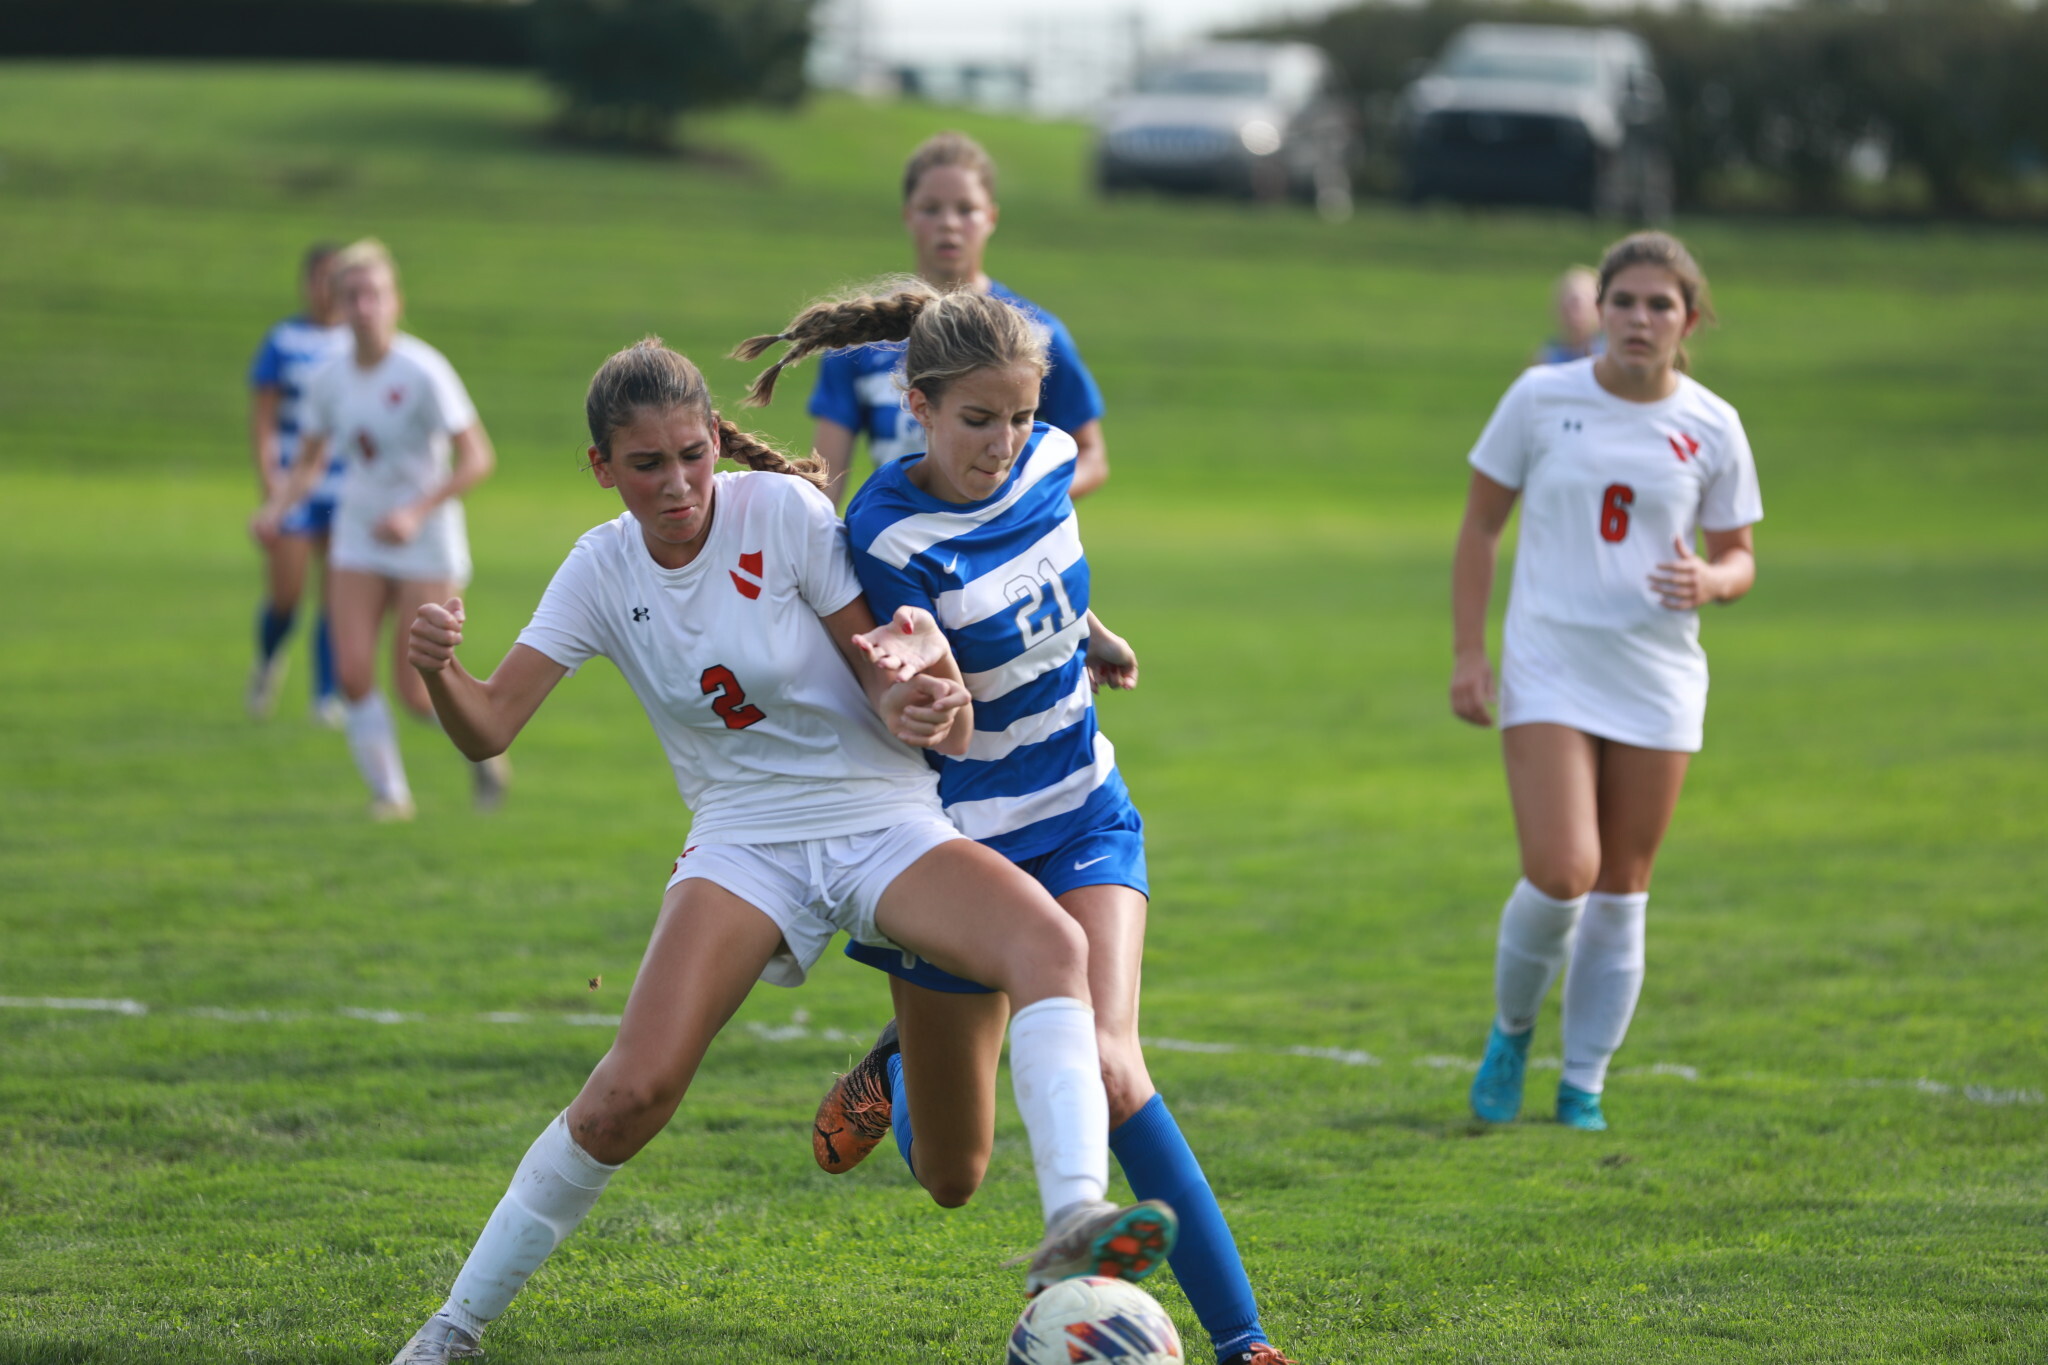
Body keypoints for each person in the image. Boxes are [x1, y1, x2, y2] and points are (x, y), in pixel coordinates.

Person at [383, 338, 1176, 1365]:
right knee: (630, 1095)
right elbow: (489, 726)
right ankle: (451, 1330)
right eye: (647, 465)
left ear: (716, 441)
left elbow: (879, 673)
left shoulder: (784, 513)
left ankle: (1074, 1221)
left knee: (1050, 949)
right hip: (744, 840)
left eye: (693, 454)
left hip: (881, 814)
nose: (678, 484)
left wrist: (917, 700)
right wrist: (441, 673)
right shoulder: (599, 570)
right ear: (602, 468)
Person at [738, 285, 1293, 1365]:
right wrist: (920, 698)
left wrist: (1088, 632)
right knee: (954, 1175)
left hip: (1082, 811)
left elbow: (1033, 560)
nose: (1004, 443)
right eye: (977, 420)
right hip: (962, 852)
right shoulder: (885, 535)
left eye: (1022, 416)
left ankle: (1244, 1342)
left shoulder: (1047, 462)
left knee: (1112, 1063)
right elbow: (904, 676)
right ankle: (900, 1068)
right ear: (918, 408)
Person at [1449, 231, 1762, 1132]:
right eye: (1623, 300)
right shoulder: (1541, 397)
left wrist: (1713, 580)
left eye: (1660, 304)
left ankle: (1582, 1081)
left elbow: (1740, 556)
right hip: (1549, 662)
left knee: (1623, 885)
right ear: (1600, 310)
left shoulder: (1713, 424)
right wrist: (1470, 653)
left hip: (1657, 674)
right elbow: (1480, 527)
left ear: (1689, 321)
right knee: (1562, 871)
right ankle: (1512, 1031)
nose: (1638, 318)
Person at [252, 238, 506, 820]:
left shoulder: (423, 370)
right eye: (352, 296)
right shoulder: (329, 379)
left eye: (374, 294)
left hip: (425, 540)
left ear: (395, 302)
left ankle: (484, 748)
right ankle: (391, 795)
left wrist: (417, 510)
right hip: (359, 534)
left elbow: (477, 458)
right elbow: (310, 462)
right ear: (336, 304)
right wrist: (274, 510)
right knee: (351, 672)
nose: (363, 306)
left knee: (416, 691)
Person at [807, 131, 1110, 509]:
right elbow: (828, 476)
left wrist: (1021, 502)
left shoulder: (1034, 334)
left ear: (991, 218)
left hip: (1002, 541)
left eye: (966, 209)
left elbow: (1090, 455)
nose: (949, 223)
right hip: (900, 536)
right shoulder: (864, 337)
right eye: (931, 208)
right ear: (908, 216)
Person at [245, 242, 351, 724]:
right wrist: (272, 482)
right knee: (287, 595)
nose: (328, 288)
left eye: (337, 278)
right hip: (295, 480)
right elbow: (264, 420)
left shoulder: (358, 340)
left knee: (337, 595)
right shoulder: (284, 340)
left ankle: (326, 696)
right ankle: (268, 659)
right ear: (306, 284)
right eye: (321, 277)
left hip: (346, 485)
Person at [1534, 265, 1606, 366]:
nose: (1577, 311)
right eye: (1571, 303)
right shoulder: (1546, 356)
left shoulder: (1609, 354)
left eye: (1586, 300)